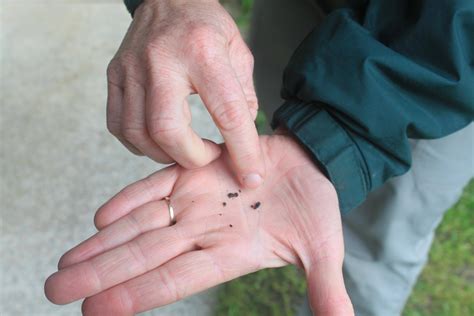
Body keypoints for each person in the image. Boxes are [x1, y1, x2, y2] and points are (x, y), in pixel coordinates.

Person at [44, 0, 474, 315]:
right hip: (312, 13)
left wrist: (342, 128)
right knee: (271, 96)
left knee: (381, 234)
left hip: (445, 68)